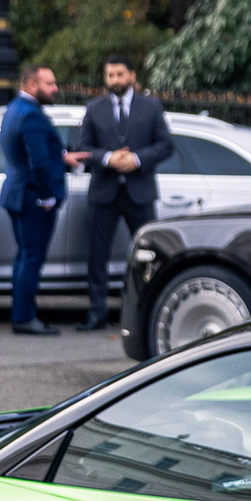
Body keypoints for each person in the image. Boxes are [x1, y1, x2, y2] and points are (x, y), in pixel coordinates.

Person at [76, 54, 172, 331]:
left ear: (131, 75)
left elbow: (166, 145)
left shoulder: (151, 107)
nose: (114, 80)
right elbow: (83, 148)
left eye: (119, 74)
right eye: (109, 75)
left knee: (149, 256)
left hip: (139, 193)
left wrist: (137, 159)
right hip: (103, 194)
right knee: (97, 256)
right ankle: (97, 313)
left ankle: (147, 314)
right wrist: (108, 158)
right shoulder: (94, 108)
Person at [0, 63, 76, 335]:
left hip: (19, 192)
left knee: (24, 257)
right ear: (32, 85)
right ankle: (24, 317)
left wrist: (62, 158)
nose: (55, 89)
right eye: (49, 84)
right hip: (32, 197)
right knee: (31, 258)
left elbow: (30, 153)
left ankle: (22, 314)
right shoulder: (32, 115)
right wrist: (47, 197)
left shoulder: (15, 109)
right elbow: (38, 162)